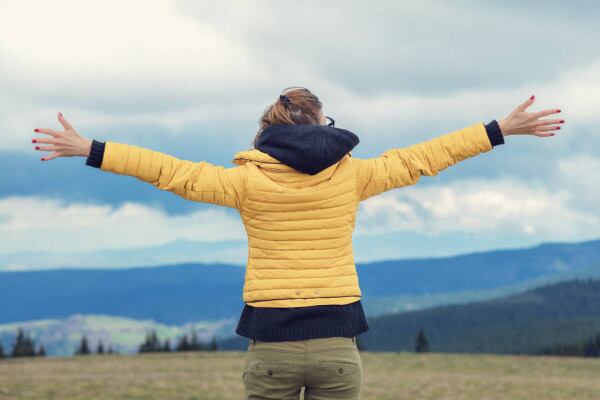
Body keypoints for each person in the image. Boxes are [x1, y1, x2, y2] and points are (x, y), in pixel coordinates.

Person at [31, 87, 563, 399]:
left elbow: (171, 172)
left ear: (267, 129)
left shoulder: (247, 181)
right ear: (325, 125)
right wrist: (498, 129)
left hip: (271, 349)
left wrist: (91, 148)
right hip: (338, 347)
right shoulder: (355, 176)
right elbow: (426, 156)